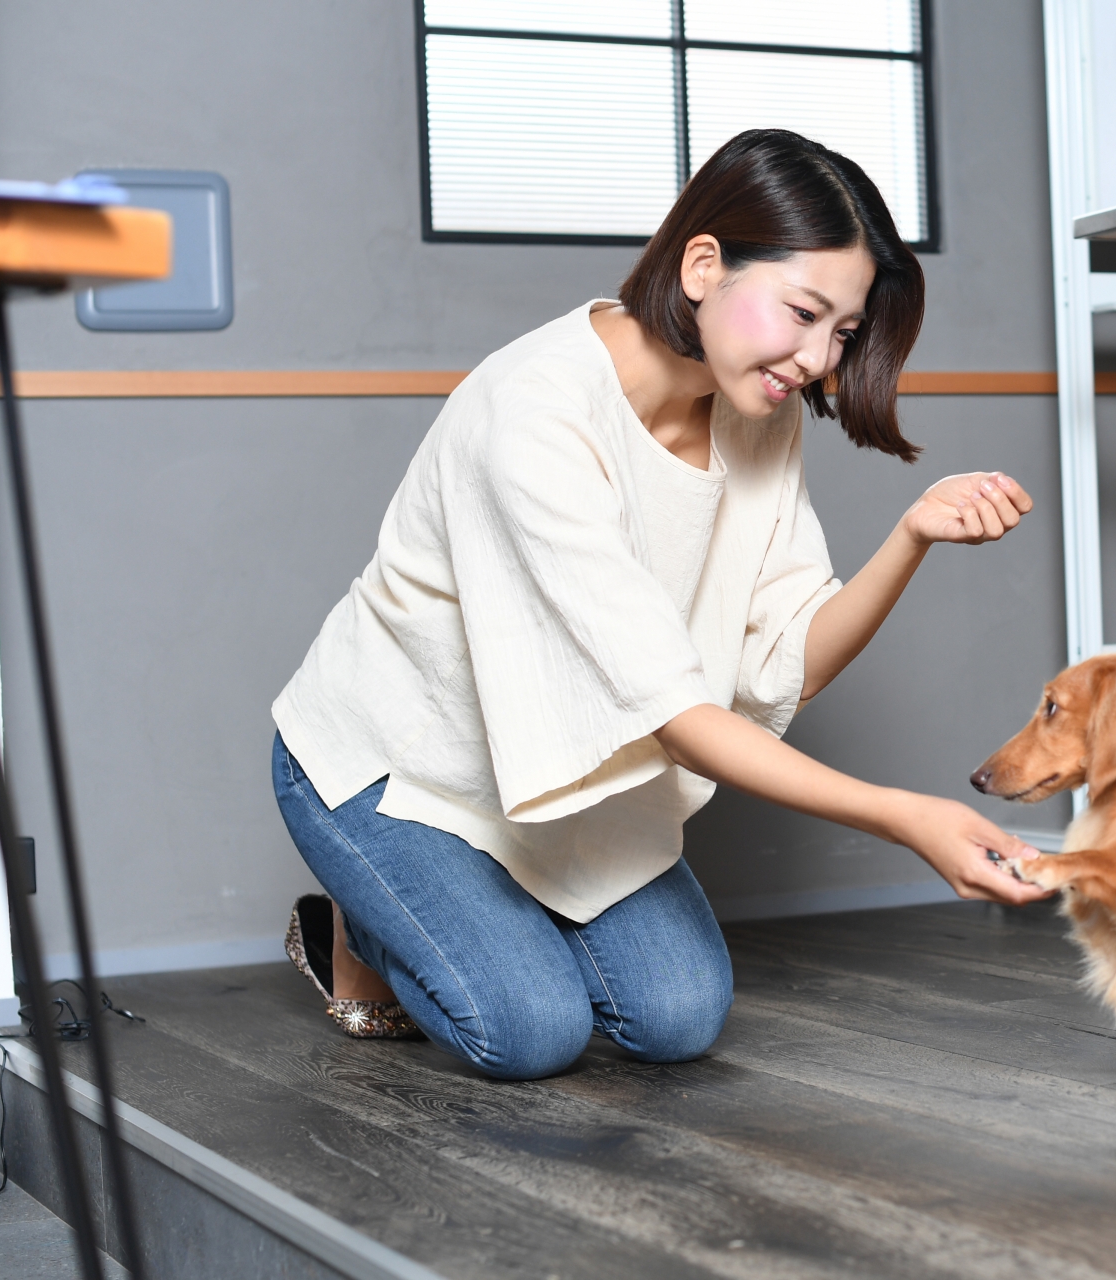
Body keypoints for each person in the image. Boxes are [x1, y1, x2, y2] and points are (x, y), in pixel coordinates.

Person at [270, 128, 1048, 1079]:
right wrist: (906, 816)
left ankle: (474, 916)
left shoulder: (759, 406)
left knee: (678, 1018)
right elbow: (681, 718)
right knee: (529, 1035)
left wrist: (913, 535)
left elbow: (785, 658)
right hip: (401, 771)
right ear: (704, 264)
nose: (815, 356)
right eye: (803, 312)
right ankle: (359, 925)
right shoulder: (537, 413)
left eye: (840, 331)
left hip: (568, 769)